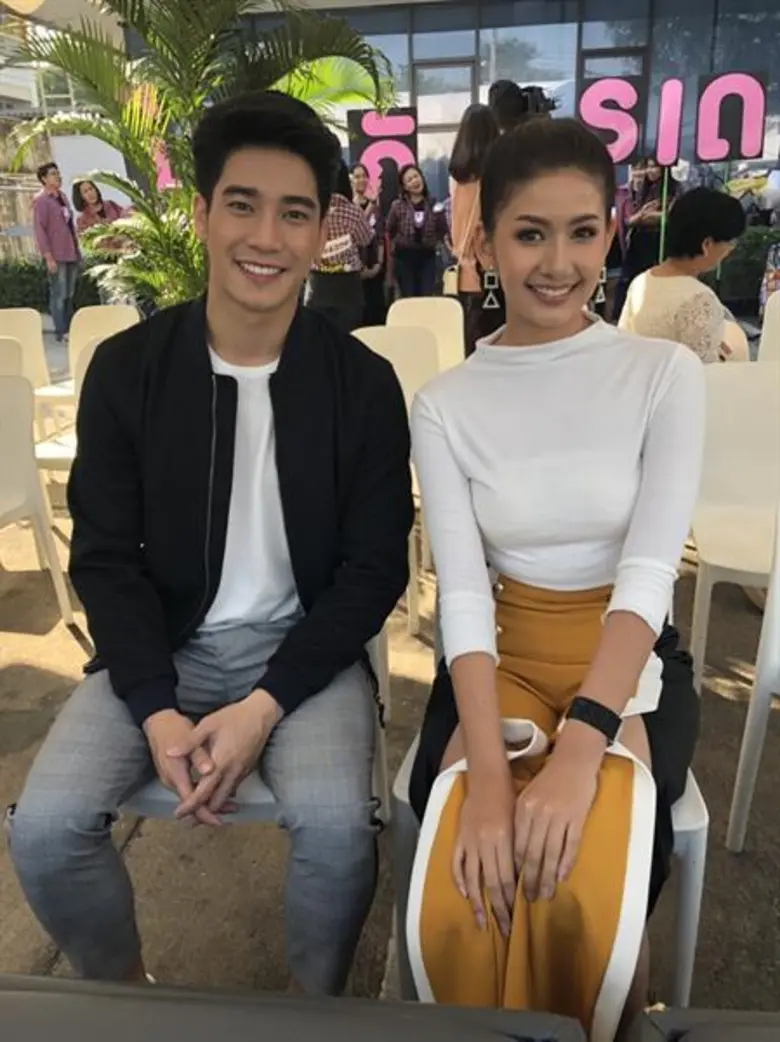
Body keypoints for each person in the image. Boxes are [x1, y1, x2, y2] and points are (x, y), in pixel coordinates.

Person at [8, 90, 413, 996]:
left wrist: (264, 704)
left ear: (321, 233)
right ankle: (127, 996)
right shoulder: (131, 371)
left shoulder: (361, 384)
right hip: (165, 645)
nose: (265, 237)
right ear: (200, 213)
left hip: (305, 655)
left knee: (340, 830)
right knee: (44, 829)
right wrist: (156, 708)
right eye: (242, 205)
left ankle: (311, 1008)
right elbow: (104, 556)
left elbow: (373, 568)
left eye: (294, 213)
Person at [407, 118, 704, 1041]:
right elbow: (462, 596)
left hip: (627, 660)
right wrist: (491, 781)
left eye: (582, 231)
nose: (557, 262)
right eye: (530, 233)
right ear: (485, 238)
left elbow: (648, 575)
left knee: (590, 879)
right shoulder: (446, 403)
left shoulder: (663, 374)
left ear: (611, 231)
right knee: (465, 874)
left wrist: (579, 752)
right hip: (499, 654)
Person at [619, 187, 747, 363]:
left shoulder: (641, 281)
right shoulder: (699, 298)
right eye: (730, 242)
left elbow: (623, 342)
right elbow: (705, 371)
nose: (729, 251)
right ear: (707, 244)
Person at [448, 103, 500, 356]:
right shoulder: (495, 180)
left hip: (464, 270)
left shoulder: (456, 178)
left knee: (471, 342)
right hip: (492, 269)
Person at [305, 158, 374, 333]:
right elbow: (366, 239)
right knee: (347, 339)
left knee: (318, 338)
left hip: (317, 283)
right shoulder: (353, 211)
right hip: (348, 286)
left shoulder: (309, 210)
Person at [613, 157, 678, 320]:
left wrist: (649, 216)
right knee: (631, 280)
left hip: (659, 239)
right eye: (648, 167)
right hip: (640, 239)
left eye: (654, 167)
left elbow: (671, 216)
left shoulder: (674, 189)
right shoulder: (642, 190)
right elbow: (631, 219)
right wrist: (643, 215)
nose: (650, 171)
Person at [32, 161, 81, 342]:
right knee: (59, 294)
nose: (57, 176)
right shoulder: (41, 200)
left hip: (70, 252)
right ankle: (61, 330)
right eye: (53, 174)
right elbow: (40, 230)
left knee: (69, 293)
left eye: (58, 173)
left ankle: (70, 328)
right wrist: (48, 256)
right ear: (44, 179)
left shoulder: (62, 197)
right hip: (56, 255)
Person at [386, 164, 448, 298]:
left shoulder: (434, 204)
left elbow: (443, 230)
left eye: (416, 176)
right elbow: (390, 230)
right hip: (404, 259)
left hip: (427, 259)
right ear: (404, 187)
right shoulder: (397, 206)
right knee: (409, 299)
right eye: (409, 180)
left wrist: (434, 242)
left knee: (426, 298)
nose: (414, 181)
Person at [73, 179, 129, 303]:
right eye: (85, 191)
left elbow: (127, 224)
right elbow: (89, 243)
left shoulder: (111, 205)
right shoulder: (82, 220)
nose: (90, 193)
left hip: (125, 258)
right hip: (105, 262)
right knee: (110, 300)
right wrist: (110, 242)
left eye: (91, 188)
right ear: (80, 197)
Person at [351, 162, 387, 325]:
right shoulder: (349, 207)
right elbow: (358, 229)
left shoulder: (375, 205)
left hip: (375, 266)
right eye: (357, 176)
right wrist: (371, 205)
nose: (361, 180)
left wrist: (379, 264)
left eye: (364, 176)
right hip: (356, 269)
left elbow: (380, 236)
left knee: (377, 311)